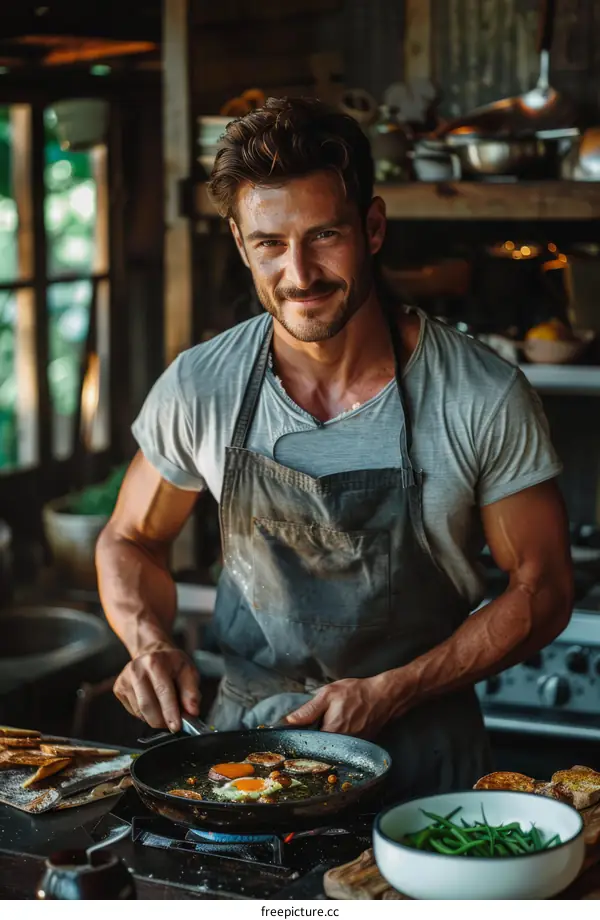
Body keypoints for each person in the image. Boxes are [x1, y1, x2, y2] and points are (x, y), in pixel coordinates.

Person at [96, 97, 573, 796]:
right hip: (245, 760)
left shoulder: (479, 395)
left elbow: (545, 587)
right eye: (269, 243)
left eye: (324, 235)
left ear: (372, 227)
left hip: (422, 766)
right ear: (240, 244)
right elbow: (130, 538)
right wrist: (149, 644)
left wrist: (396, 689)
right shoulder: (202, 386)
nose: (300, 273)